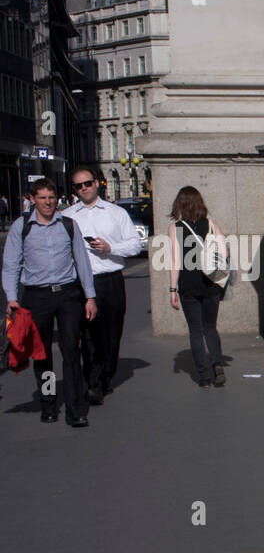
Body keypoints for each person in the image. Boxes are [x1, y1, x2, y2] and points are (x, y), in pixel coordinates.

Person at [1, 179, 97, 426]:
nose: (47, 202)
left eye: (51, 197)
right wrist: (11, 298)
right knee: (41, 355)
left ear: (57, 198)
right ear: (32, 199)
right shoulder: (22, 227)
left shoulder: (68, 225)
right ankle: (49, 404)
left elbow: (82, 263)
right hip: (36, 296)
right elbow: (11, 265)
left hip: (67, 294)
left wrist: (90, 297)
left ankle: (76, 409)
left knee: (71, 351)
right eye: (42, 198)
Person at [63, 168, 143, 403]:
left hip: (111, 280)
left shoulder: (115, 213)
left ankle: (106, 375)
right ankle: (94, 381)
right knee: (88, 335)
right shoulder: (68, 216)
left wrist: (110, 248)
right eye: (78, 186)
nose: (83, 188)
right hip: (82, 283)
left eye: (87, 183)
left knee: (112, 333)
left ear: (97, 184)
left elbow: (135, 246)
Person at [166, 186, 227, 388]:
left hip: (188, 284)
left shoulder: (175, 228)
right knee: (210, 327)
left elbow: (175, 261)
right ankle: (218, 365)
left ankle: (204, 376)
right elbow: (223, 255)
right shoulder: (211, 224)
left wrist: (172, 290)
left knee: (195, 330)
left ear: (180, 205)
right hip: (210, 283)